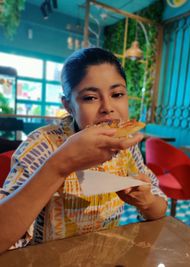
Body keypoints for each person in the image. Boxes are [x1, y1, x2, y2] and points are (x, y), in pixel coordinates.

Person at [0, 47, 167, 253]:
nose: (107, 107)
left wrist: (147, 201)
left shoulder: (126, 146)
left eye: (117, 94)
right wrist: (60, 165)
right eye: (90, 97)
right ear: (68, 105)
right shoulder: (42, 145)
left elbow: (160, 209)